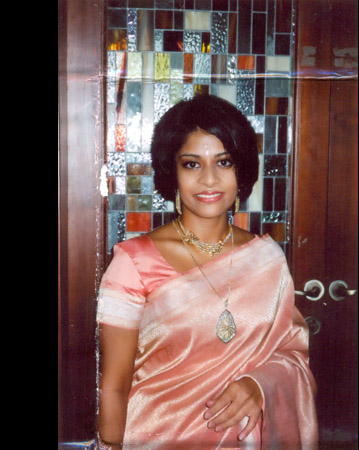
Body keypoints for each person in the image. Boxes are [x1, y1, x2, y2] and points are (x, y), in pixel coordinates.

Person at [96, 94, 318, 449]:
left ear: (241, 170)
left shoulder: (266, 259)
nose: (210, 180)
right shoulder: (133, 263)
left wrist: (259, 384)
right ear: (172, 172)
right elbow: (114, 387)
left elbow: (293, 355)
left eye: (224, 162)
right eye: (192, 164)